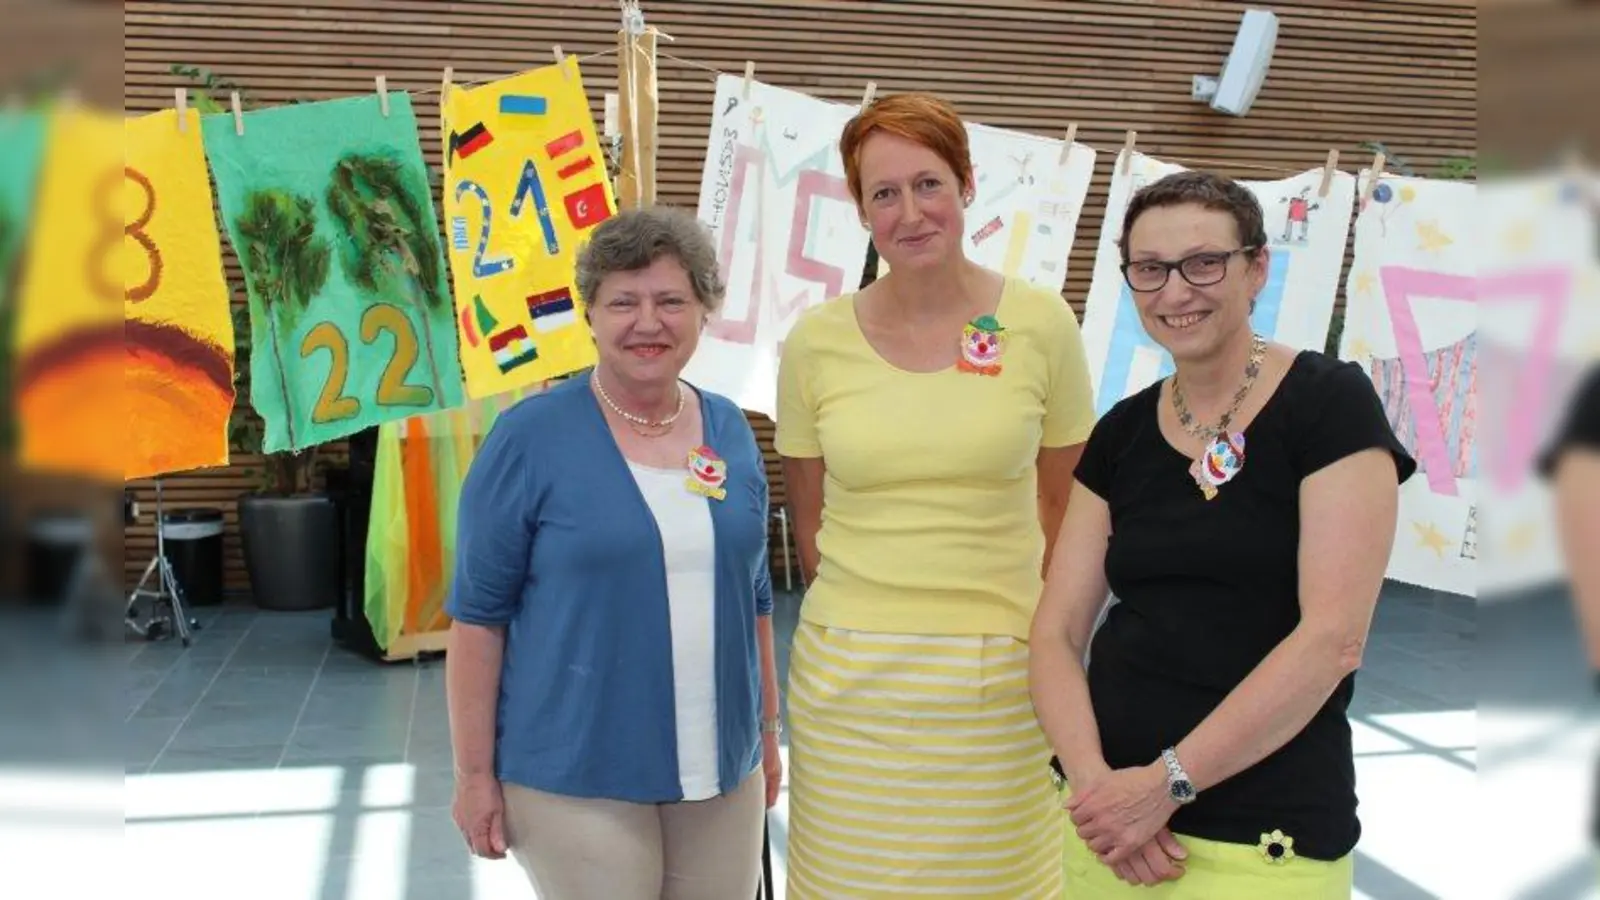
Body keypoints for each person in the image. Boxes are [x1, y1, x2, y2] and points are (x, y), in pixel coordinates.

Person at [1028, 170, 1417, 898]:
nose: (1176, 291)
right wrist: (1097, 788)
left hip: (1265, 834)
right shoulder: (1121, 432)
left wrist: (1165, 788)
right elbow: (1055, 630)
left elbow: (1333, 637)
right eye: (1150, 269)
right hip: (1108, 829)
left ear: (1257, 267)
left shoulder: (1328, 405)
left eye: (1204, 262)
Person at [774, 91, 1095, 898]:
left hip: (1001, 678)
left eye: (928, 184)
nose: (910, 212)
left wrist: (1043, 647)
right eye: (883, 193)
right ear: (859, 209)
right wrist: (873, 621)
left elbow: (1068, 512)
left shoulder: (1042, 324)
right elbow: (809, 520)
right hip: (849, 681)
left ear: (966, 186)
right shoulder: (816, 342)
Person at [445, 206, 782, 900]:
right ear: (590, 314)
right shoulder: (529, 439)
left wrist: (766, 735)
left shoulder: (730, 430)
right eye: (623, 302)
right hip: (576, 772)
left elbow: (754, 601)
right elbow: (479, 621)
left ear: (703, 312)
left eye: (670, 301)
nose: (648, 322)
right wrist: (475, 776)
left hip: (722, 772)